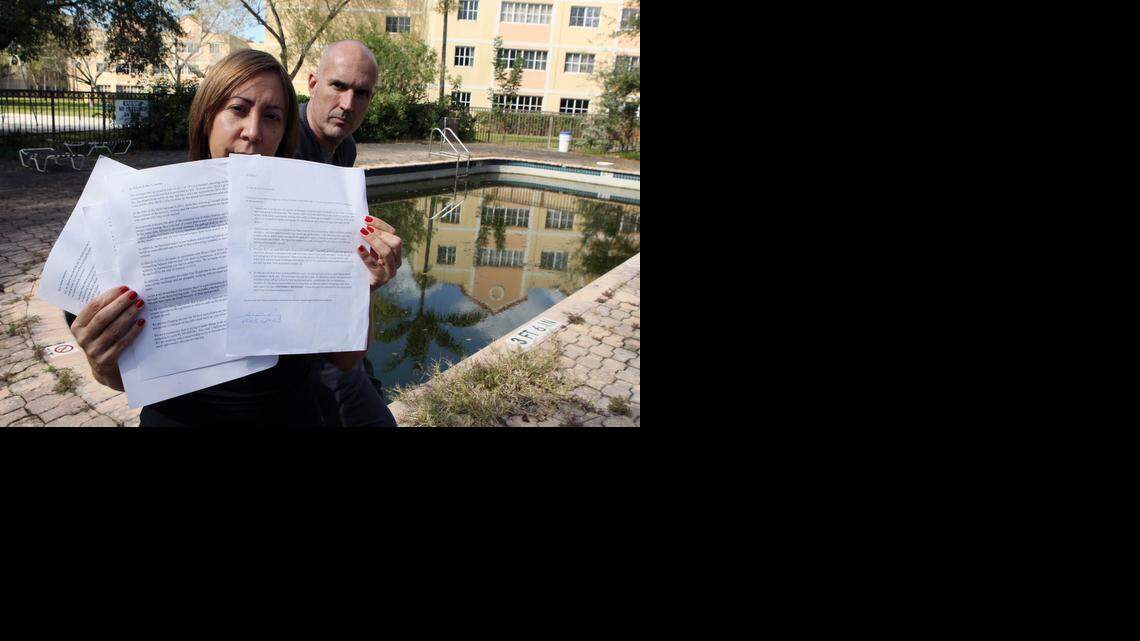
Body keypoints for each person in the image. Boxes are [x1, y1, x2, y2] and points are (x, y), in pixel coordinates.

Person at [67, 49, 402, 427]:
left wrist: (365, 286)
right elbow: (121, 379)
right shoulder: (142, 217)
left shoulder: (303, 216)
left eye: (272, 117)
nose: (254, 132)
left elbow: (344, 359)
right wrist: (102, 361)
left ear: (284, 132)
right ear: (207, 117)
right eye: (238, 109)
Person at [295, 40, 399, 428]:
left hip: (332, 325)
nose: (348, 104)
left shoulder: (346, 147)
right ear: (312, 82)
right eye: (338, 86)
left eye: (362, 93)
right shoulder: (282, 144)